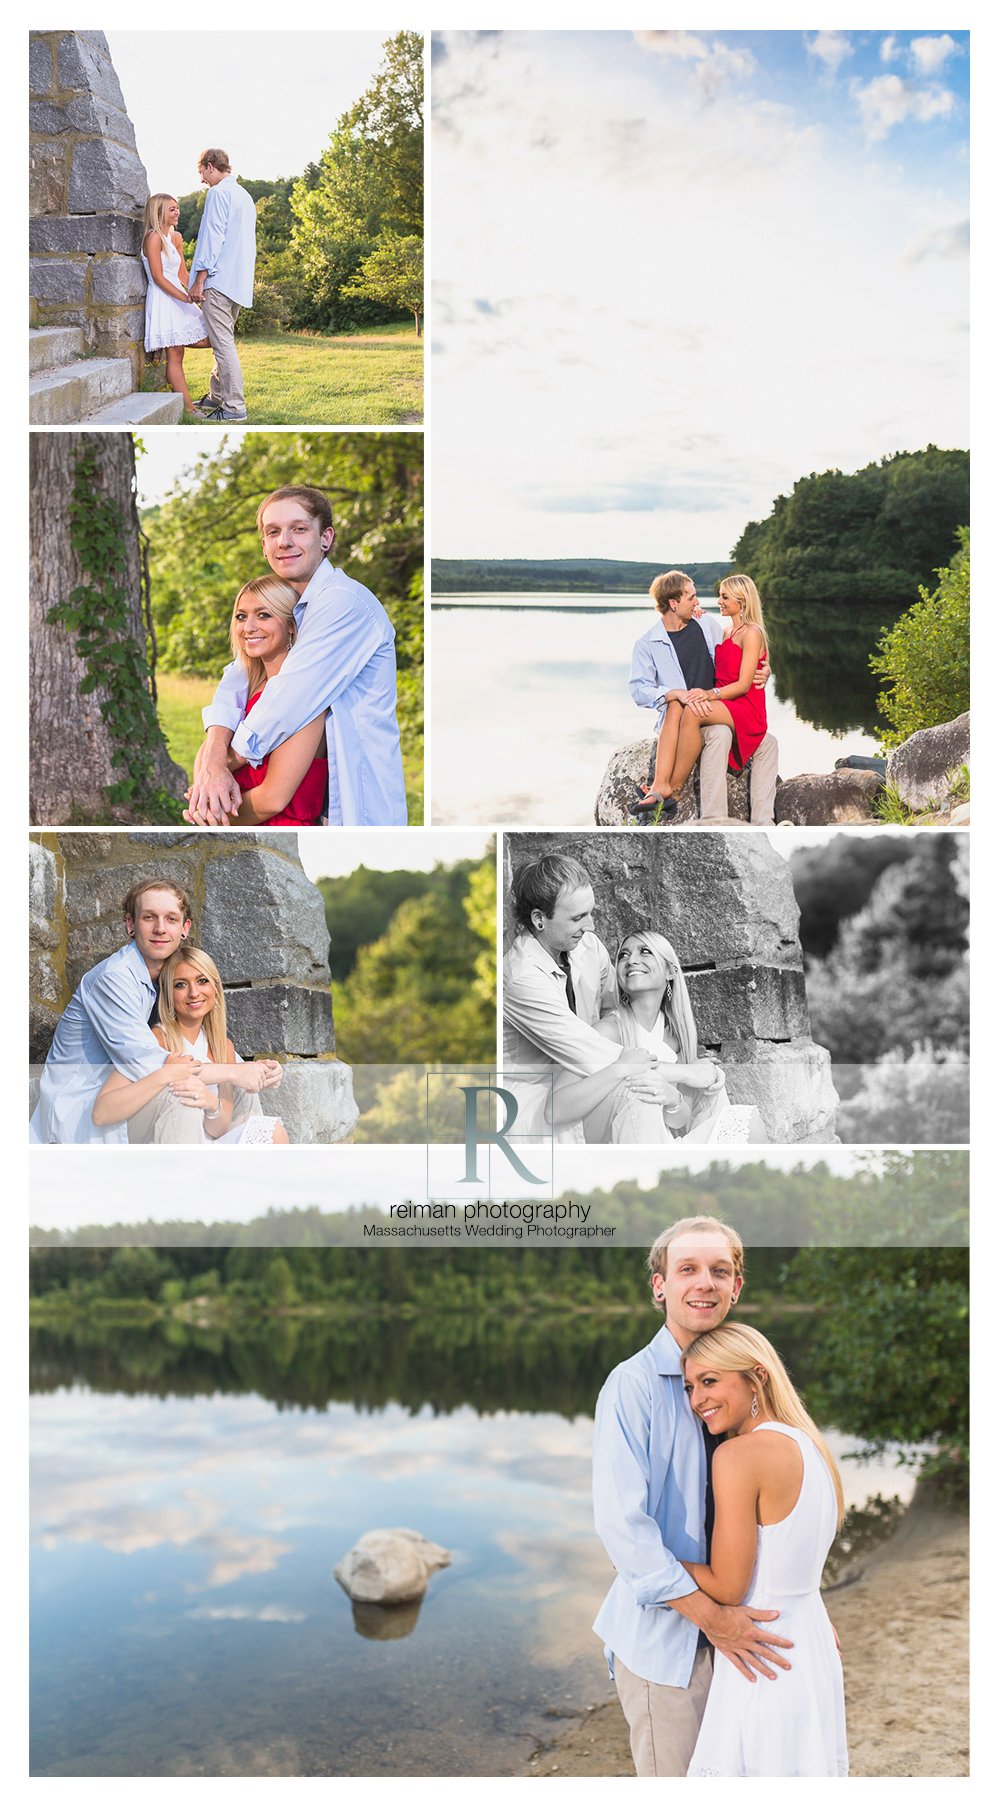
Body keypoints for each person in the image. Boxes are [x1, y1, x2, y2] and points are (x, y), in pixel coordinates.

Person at [593, 1216, 794, 1778]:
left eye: (719, 1270)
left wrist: (806, 1606)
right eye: (688, 1269)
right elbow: (622, 1529)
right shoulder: (630, 1387)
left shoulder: (744, 1382)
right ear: (660, 1286)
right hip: (670, 1645)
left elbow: (776, 1512)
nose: (704, 1282)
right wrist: (712, 1619)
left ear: (737, 1287)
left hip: (744, 1634)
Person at [185, 485, 407, 829]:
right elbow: (236, 676)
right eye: (272, 532)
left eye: (299, 529)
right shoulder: (292, 608)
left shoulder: (343, 603)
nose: (284, 541)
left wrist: (218, 775)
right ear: (264, 546)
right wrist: (212, 760)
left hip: (358, 805)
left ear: (326, 538)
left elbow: (289, 699)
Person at [682, 1324, 848, 1776]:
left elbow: (729, 1587)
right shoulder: (811, 1447)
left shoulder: (737, 1456)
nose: (697, 1400)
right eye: (690, 1386)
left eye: (710, 1381)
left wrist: (665, 1560)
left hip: (761, 1654)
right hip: (810, 1646)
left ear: (757, 1377)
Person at [501, 855, 680, 1143]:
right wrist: (686, 1073)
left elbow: (617, 1014)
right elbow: (594, 1052)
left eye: (590, 912)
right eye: (577, 918)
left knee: (651, 1089)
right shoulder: (521, 978)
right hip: (534, 1103)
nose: (591, 926)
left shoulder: (588, 946)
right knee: (638, 1093)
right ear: (539, 919)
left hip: (585, 1081)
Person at [546, 931, 768, 1144]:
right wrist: (685, 1072)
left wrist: (672, 1097)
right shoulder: (608, 1031)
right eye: (623, 955)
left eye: (645, 952)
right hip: (619, 1139)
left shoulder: (675, 1034)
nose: (631, 960)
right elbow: (555, 1108)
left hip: (662, 1137)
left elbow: (680, 1119)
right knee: (642, 1088)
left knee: (748, 1122)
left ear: (670, 972)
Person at [30, 879, 198, 1144]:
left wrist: (242, 1068)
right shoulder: (114, 978)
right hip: (81, 1109)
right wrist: (233, 1072)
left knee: (234, 1093)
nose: (160, 929)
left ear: (184, 928)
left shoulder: (171, 978)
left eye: (171, 919)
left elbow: (197, 1035)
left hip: (123, 1095)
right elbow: (145, 1062)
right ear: (131, 925)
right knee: (182, 1098)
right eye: (149, 917)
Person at [92, 946, 288, 1145]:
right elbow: (101, 1112)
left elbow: (219, 1127)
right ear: (168, 993)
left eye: (202, 981)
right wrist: (167, 1075)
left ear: (215, 988)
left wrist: (211, 1102)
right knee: (183, 1096)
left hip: (207, 1143)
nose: (194, 993)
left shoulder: (223, 1046)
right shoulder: (157, 1040)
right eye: (180, 985)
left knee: (273, 1133)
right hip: (168, 1144)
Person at [629, 570, 777, 823]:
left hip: (716, 706)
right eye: (692, 597)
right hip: (684, 719)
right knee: (682, 707)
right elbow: (638, 690)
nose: (698, 602)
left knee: (753, 739)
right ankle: (698, 808)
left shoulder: (707, 624)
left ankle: (674, 793)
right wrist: (672, 692)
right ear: (674, 604)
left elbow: (743, 655)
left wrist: (766, 668)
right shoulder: (647, 644)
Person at [223, 576, 328, 826]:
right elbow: (211, 752)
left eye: (263, 615)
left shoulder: (305, 697)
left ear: (291, 625)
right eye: (241, 616)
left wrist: (216, 817)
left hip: (280, 828)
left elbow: (273, 799)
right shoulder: (248, 687)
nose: (248, 627)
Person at [188, 147, 257, 423]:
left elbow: (213, 238)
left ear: (209, 166)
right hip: (238, 283)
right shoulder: (244, 195)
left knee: (223, 346)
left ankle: (234, 408)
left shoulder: (218, 193)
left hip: (218, 281)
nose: (202, 180)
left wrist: (200, 280)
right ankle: (216, 396)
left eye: (201, 173)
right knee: (222, 342)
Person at [140, 194, 210, 414]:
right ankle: (190, 410)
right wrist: (184, 298)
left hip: (180, 297)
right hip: (163, 299)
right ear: (159, 212)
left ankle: (212, 396)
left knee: (211, 339)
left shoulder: (176, 237)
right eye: (172, 209)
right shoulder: (153, 238)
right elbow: (158, 277)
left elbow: (182, 272)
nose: (177, 212)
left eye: (177, 208)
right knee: (176, 354)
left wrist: (197, 290)